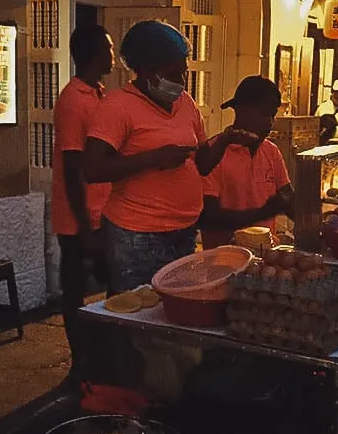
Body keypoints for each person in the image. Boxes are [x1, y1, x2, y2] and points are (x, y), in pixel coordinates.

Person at [82, 20, 247, 293]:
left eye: (183, 73)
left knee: (173, 310)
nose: (181, 82)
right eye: (173, 74)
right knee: (136, 311)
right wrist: (152, 158)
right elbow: (93, 169)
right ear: (148, 71)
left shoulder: (186, 103)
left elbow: (202, 164)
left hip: (182, 233)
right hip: (136, 236)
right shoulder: (117, 106)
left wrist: (227, 138)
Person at [52, 24, 113, 318]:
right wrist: (85, 227)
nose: (113, 55)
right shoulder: (74, 100)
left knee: (114, 285)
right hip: (78, 220)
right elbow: (72, 167)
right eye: (109, 49)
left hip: (103, 212)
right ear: (95, 54)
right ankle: (80, 360)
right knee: (75, 293)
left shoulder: (100, 94)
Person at [198, 76, 294, 249]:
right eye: (264, 114)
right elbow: (209, 218)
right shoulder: (212, 154)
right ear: (240, 110)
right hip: (223, 260)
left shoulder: (271, 151)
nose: (270, 123)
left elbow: (288, 199)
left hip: (264, 259)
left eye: (273, 115)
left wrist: (317, 224)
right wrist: (262, 212)